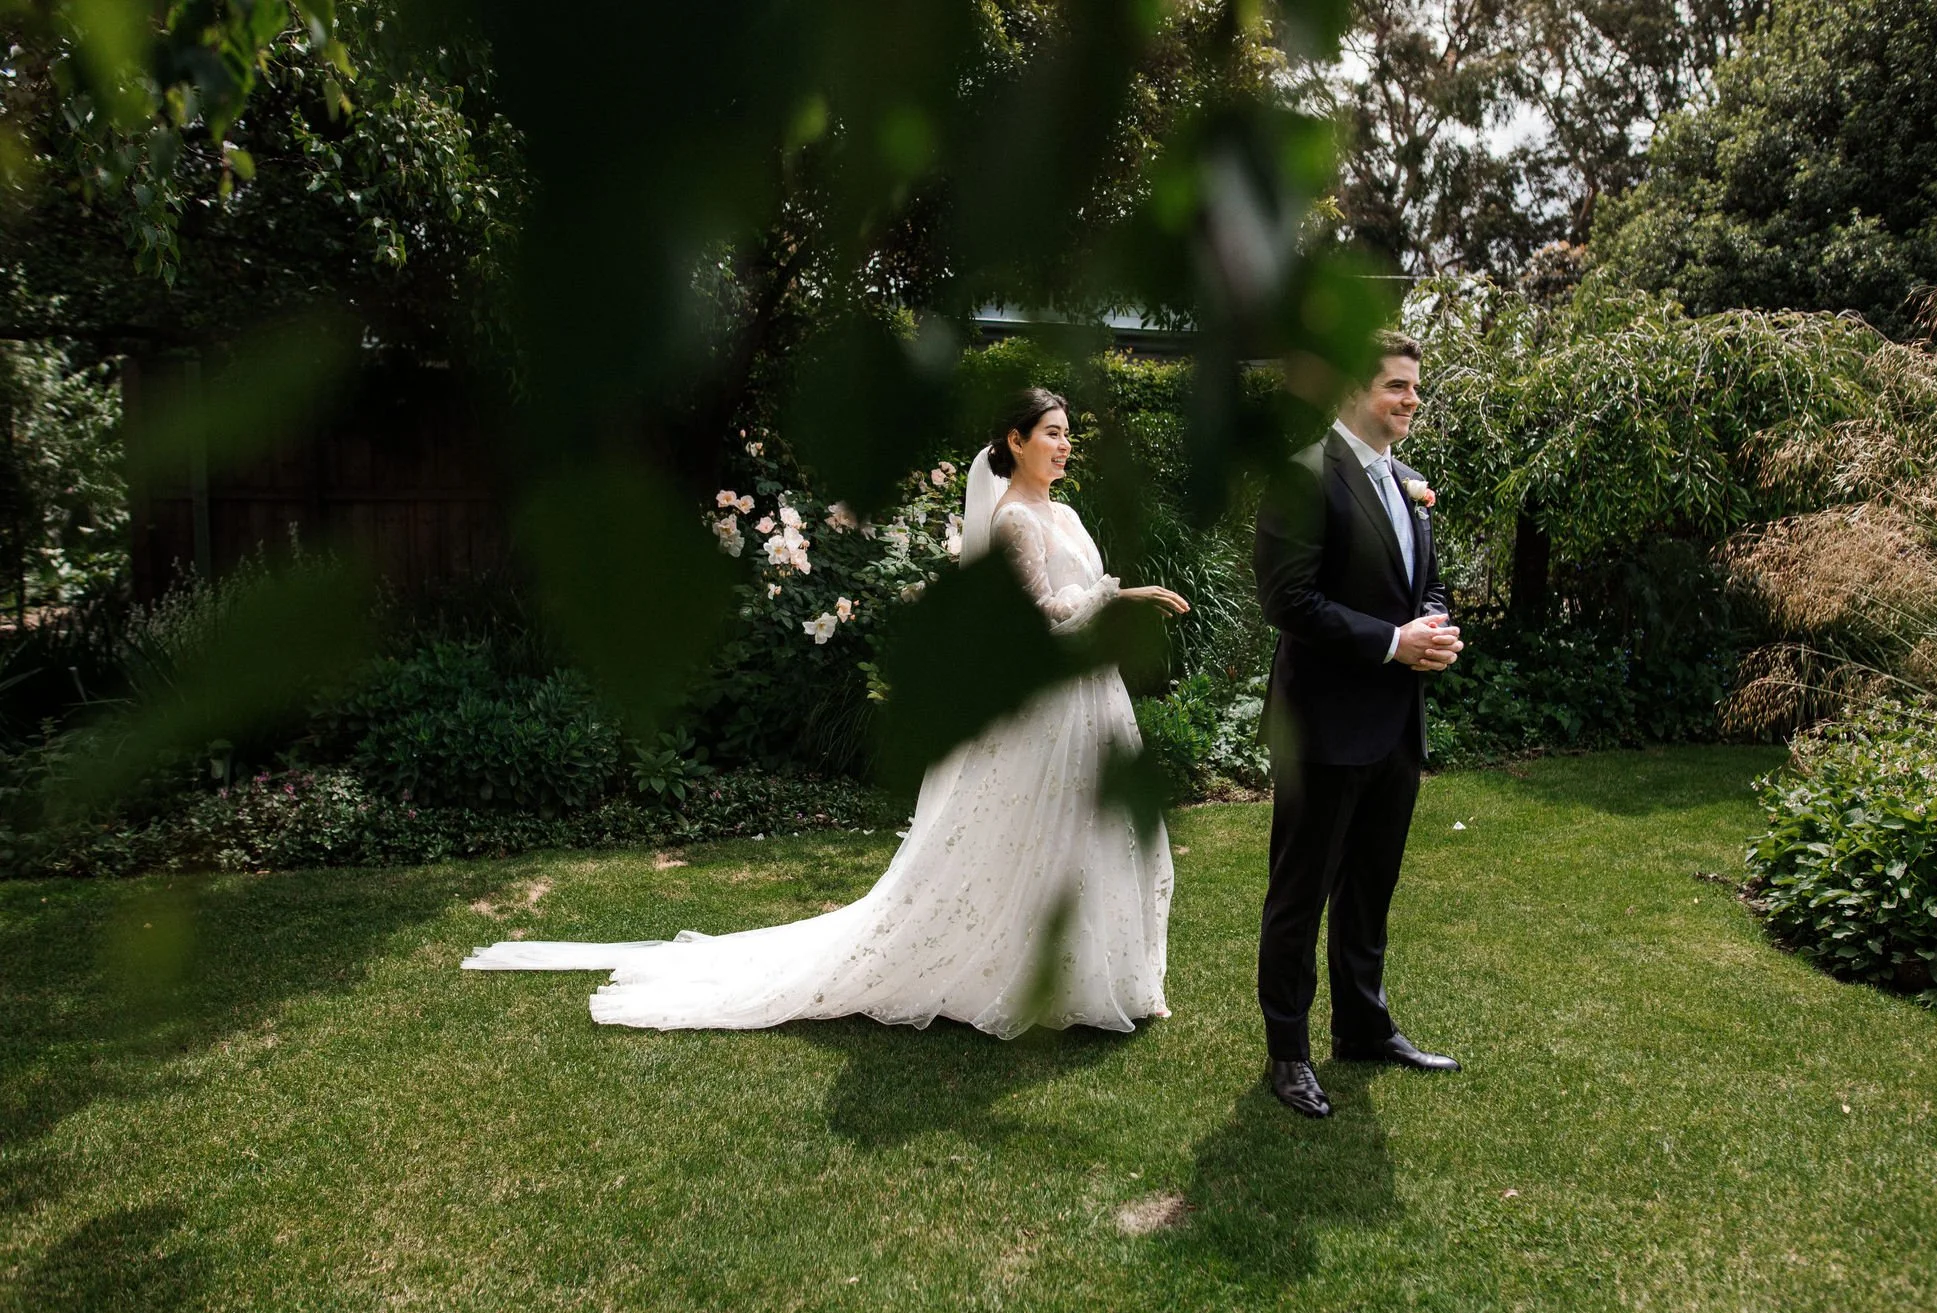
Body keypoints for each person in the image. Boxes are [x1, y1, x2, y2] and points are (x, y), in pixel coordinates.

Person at [463, 388, 1190, 1039]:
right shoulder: (1013, 524)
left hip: (1088, 695)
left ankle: (1112, 978)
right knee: (1038, 841)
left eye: (1069, 435)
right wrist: (1117, 596)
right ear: (1013, 441)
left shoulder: (1062, 510)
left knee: (1101, 833)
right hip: (1044, 705)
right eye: (1053, 433)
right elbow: (1040, 616)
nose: (1065, 446)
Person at [1252, 330, 1464, 1119]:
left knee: (1371, 887)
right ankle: (1288, 1050)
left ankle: (1365, 1027)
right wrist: (1391, 642)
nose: (1412, 399)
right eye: (1396, 386)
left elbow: (1427, 587)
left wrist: (1434, 629)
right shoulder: (1304, 475)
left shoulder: (1407, 481)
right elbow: (1287, 599)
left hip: (1395, 725)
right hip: (1322, 725)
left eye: (1415, 386)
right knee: (1301, 890)